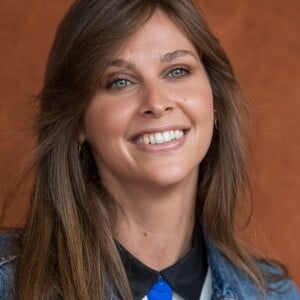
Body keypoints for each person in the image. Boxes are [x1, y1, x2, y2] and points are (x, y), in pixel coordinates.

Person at [0, 0, 299, 299]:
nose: (156, 103)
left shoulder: (276, 295)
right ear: (78, 121)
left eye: (177, 71)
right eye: (120, 81)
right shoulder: (8, 284)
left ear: (215, 101)